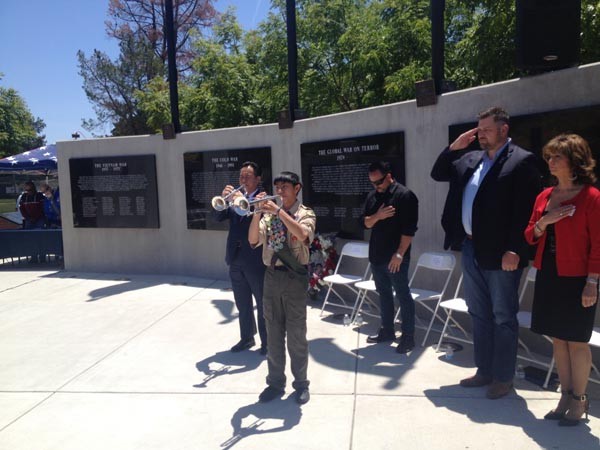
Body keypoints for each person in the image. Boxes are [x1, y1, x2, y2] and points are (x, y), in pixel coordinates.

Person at [431, 106, 541, 399]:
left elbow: (525, 212)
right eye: (479, 129)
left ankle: (503, 377)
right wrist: (454, 147)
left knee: (503, 314)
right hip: (470, 246)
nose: (480, 134)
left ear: (504, 129)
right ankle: (484, 371)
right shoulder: (471, 158)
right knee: (478, 312)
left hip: (502, 252)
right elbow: (439, 172)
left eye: (486, 130)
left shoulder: (522, 161)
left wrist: (515, 250)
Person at [524, 134, 599, 426]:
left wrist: (592, 281)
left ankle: (580, 399)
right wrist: (546, 221)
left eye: (557, 157)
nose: (551, 162)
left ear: (574, 161)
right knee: (558, 339)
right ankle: (565, 396)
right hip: (549, 274)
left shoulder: (591, 197)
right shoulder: (544, 196)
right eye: (549, 157)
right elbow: (530, 234)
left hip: (579, 278)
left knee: (577, 341)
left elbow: (599, 244)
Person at [248, 171, 316, 405]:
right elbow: (253, 240)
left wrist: (278, 212)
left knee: (296, 335)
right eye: (277, 187)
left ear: (297, 188)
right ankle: (275, 383)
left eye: (284, 187)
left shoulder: (305, 213)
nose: (279, 191)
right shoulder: (268, 216)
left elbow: (303, 234)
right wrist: (257, 213)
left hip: (294, 279)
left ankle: (301, 384)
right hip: (272, 277)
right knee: (273, 332)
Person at [363, 161, 419, 354]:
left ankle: (408, 337)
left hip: (395, 257)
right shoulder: (372, 196)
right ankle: (387, 330)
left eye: (378, 182)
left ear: (388, 176)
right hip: (377, 255)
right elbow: (366, 223)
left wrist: (399, 254)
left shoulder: (405, 196)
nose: (375, 186)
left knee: (403, 295)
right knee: (384, 294)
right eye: (372, 183)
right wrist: (378, 216)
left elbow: (409, 230)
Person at [214, 162, 267, 355]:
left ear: (258, 179)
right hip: (235, 258)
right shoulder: (235, 198)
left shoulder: (263, 198)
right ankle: (247, 338)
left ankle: (267, 342)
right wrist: (223, 200)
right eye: (241, 176)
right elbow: (217, 217)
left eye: (248, 176)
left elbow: (255, 222)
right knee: (242, 302)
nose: (243, 180)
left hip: (255, 260)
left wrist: (240, 200)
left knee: (262, 303)